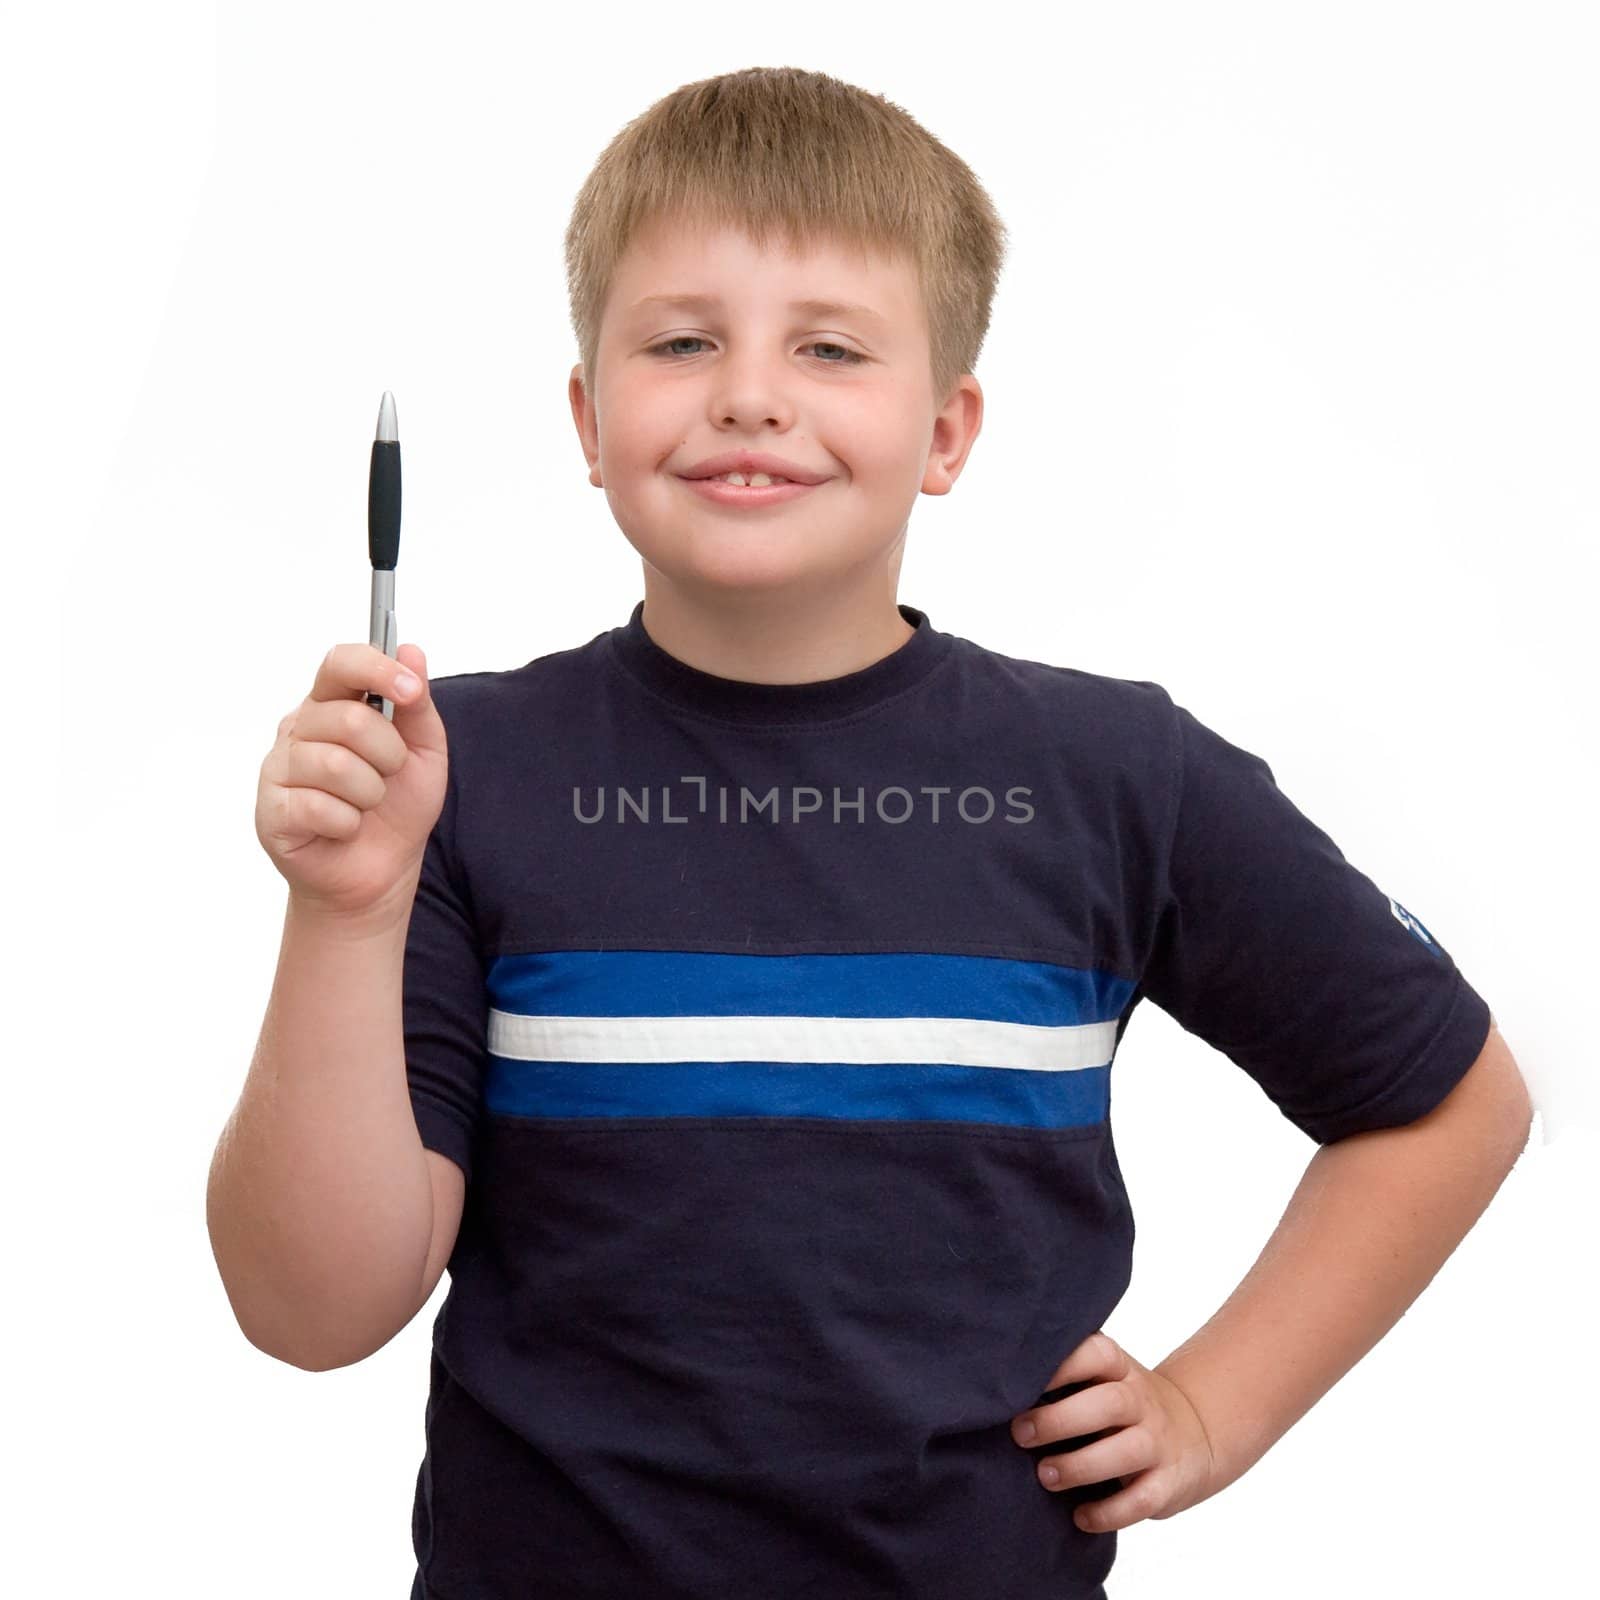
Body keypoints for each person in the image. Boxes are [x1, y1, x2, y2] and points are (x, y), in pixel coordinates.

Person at [210, 65, 1534, 1600]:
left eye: (828, 347)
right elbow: (312, 1311)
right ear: (587, 418)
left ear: (946, 430)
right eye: (681, 339)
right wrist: (347, 912)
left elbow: (1446, 1103)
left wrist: (1208, 1409)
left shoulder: (1115, 773)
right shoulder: (458, 773)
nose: (749, 393)